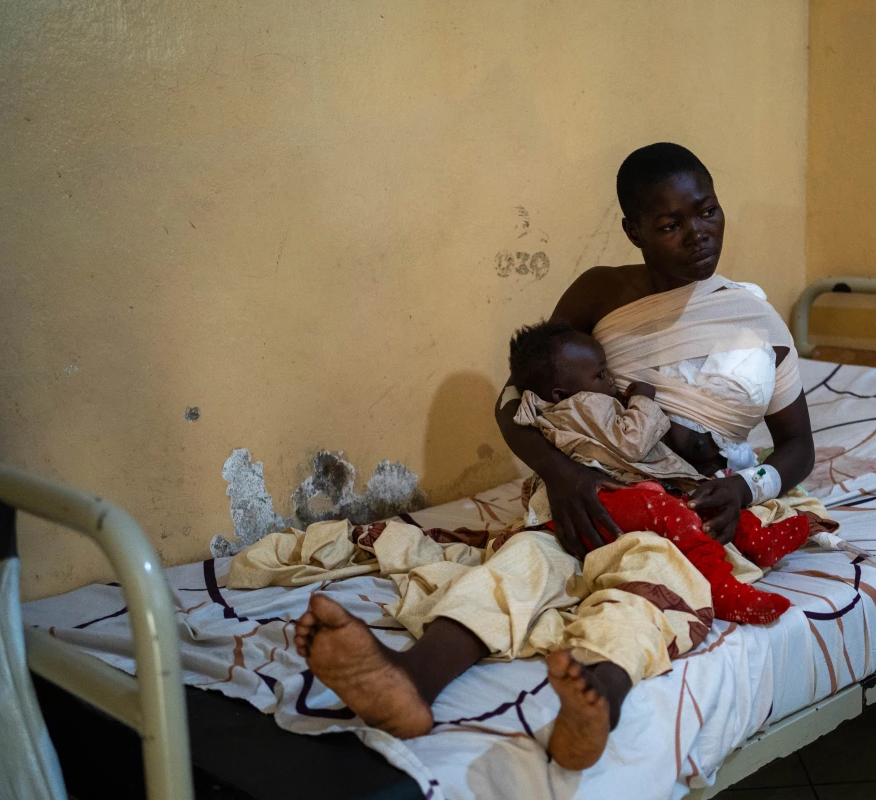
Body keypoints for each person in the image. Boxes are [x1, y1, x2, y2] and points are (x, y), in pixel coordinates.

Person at [294, 143, 816, 771]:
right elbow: (518, 399)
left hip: (689, 506)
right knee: (522, 563)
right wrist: (564, 478)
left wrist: (746, 489)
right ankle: (412, 681)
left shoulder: (757, 321)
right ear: (634, 231)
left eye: (707, 211)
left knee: (653, 584)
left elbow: (799, 447)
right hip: (589, 494)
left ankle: (598, 700)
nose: (697, 234)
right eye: (669, 224)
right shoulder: (601, 292)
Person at [507, 319, 812, 624]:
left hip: (619, 489)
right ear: (559, 394)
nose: (611, 380)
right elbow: (632, 443)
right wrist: (642, 399)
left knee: (696, 502)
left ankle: (753, 538)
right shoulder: (582, 406)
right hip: (601, 496)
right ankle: (720, 589)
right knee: (674, 514)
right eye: (600, 374)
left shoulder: (570, 404)